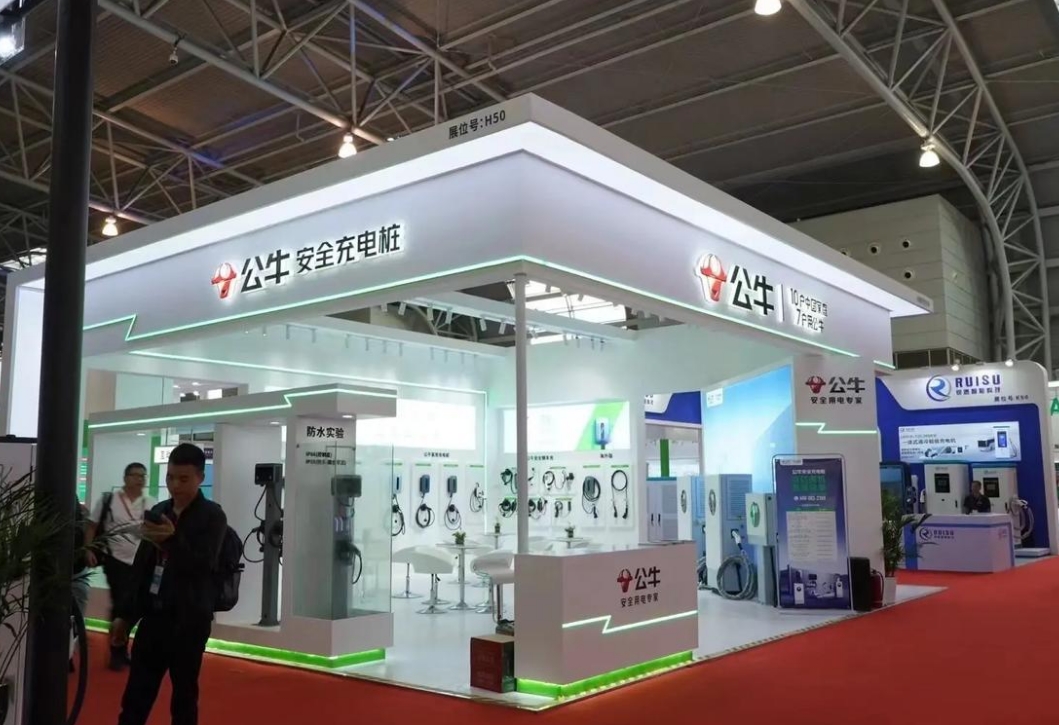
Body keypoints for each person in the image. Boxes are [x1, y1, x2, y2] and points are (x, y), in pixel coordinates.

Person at [113, 444, 227, 725]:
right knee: (135, 698)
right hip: (153, 618)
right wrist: (125, 616)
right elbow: (141, 568)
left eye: (184, 479)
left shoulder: (212, 516)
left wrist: (172, 540)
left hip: (189, 621)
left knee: (184, 698)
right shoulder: (159, 510)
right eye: (170, 477)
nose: (175, 485)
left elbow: (204, 564)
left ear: (200, 478)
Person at [85, 462, 154, 670]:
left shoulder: (150, 502)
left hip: (140, 561)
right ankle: (117, 652)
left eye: (143, 475)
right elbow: (92, 526)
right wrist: (88, 549)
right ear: (125, 478)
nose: (139, 479)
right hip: (114, 560)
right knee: (121, 604)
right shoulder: (109, 500)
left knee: (133, 606)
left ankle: (121, 646)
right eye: (135, 475)